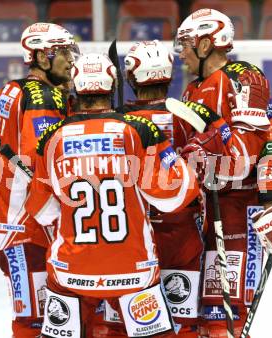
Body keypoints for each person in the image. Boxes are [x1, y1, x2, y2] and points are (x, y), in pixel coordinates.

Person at [24, 52, 200, 338]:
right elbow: (172, 198)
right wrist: (185, 163)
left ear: (76, 86)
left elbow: (43, 211)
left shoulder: (52, 138)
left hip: (71, 272)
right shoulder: (139, 130)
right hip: (133, 271)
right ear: (113, 84)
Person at [174, 8, 272, 337]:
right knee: (194, 311)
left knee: (224, 313)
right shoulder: (189, 92)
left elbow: (271, 140)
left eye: (186, 44)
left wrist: (271, 203)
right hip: (202, 210)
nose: (181, 53)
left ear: (205, 45)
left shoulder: (242, 78)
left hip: (237, 212)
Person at [0, 22, 80, 338]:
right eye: (62, 52)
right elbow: (43, 162)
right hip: (27, 228)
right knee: (36, 320)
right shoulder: (44, 98)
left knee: (33, 315)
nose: (70, 59)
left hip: (5, 222)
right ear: (41, 57)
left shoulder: (12, 89)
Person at [92, 40, 204, 338]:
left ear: (130, 78)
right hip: (181, 230)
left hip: (132, 238)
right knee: (182, 321)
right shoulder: (187, 115)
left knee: (124, 322)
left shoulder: (118, 123)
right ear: (169, 76)